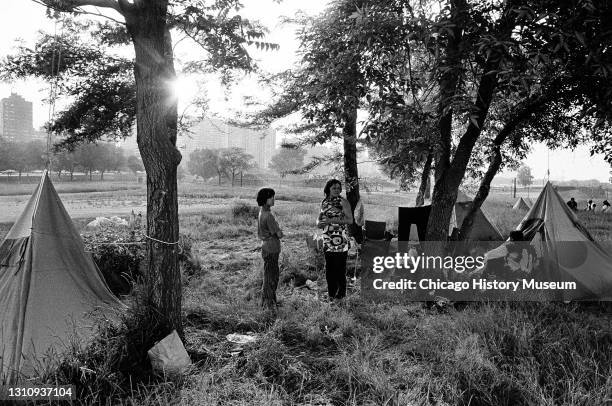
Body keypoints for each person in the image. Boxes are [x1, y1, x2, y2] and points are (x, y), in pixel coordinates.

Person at [317, 179, 353, 300]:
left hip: (341, 241)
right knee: (329, 269)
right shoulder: (324, 202)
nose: (337, 190)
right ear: (328, 189)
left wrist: (331, 221)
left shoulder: (343, 202)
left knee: (340, 270)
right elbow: (319, 218)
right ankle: (331, 294)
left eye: (339, 188)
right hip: (327, 239)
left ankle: (341, 296)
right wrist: (318, 223)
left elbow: (350, 220)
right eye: (334, 188)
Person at [257, 188, 283, 309]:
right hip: (271, 248)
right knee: (272, 277)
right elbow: (279, 234)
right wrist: (279, 229)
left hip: (266, 246)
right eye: (271, 197)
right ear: (265, 199)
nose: (273, 199)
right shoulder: (269, 216)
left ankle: (268, 301)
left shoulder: (262, 212)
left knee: (269, 275)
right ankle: (268, 303)